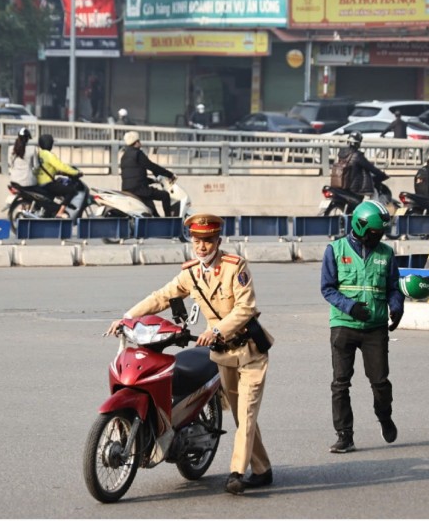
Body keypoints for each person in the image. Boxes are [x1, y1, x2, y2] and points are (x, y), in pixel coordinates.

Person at [106, 213, 274, 494]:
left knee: (245, 415)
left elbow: (245, 308)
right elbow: (161, 296)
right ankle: (263, 469)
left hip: (250, 352)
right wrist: (127, 317)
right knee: (241, 416)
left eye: (207, 241)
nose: (201, 247)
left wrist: (217, 330)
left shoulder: (235, 267)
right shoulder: (191, 272)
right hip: (222, 355)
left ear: (218, 241)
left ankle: (236, 473)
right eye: (197, 241)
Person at [320, 200, 403, 453]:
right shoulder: (335, 250)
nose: (377, 237)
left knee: (380, 381)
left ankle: (384, 415)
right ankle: (344, 435)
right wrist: (349, 306)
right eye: (374, 233)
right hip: (343, 325)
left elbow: (393, 287)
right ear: (360, 225)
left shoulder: (386, 253)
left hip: (375, 327)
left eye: (380, 233)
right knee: (340, 383)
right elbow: (327, 288)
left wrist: (397, 306)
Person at [120, 131, 176, 217]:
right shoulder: (138, 153)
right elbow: (151, 166)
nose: (140, 143)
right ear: (136, 142)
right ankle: (169, 220)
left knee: (153, 211)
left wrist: (153, 181)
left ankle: (157, 220)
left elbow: (133, 176)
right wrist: (169, 175)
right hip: (139, 190)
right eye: (139, 140)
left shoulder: (124, 157)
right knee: (165, 195)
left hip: (127, 190)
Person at [36, 133, 86, 217]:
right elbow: (62, 166)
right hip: (48, 184)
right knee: (71, 191)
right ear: (50, 144)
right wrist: (76, 172)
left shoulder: (39, 154)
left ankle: (50, 212)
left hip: (39, 183)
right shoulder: (49, 155)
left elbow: (49, 168)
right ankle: (60, 212)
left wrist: (59, 172)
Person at [339, 133, 388, 198]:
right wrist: (382, 174)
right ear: (358, 143)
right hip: (355, 187)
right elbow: (371, 168)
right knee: (373, 195)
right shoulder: (357, 155)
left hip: (342, 184)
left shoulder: (341, 154)